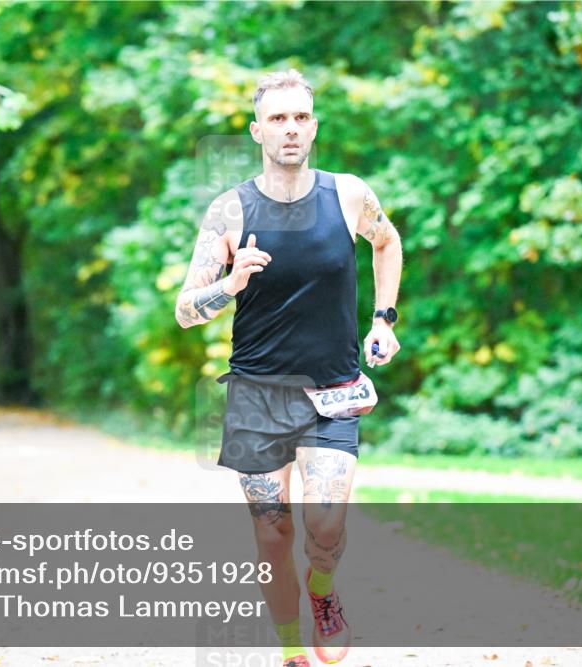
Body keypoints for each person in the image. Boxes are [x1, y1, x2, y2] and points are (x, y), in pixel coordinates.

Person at [174, 69, 403, 666]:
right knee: (273, 537)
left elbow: (388, 243)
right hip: (256, 398)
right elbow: (184, 311)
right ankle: (291, 649)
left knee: (323, 530)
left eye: (301, 117)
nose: (291, 129)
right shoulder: (230, 211)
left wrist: (384, 319)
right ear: (257, 131)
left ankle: (323, 592)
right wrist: (231, 283)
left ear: (314, 125)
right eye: (278, 119)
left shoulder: (349, 195)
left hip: (333, 391)